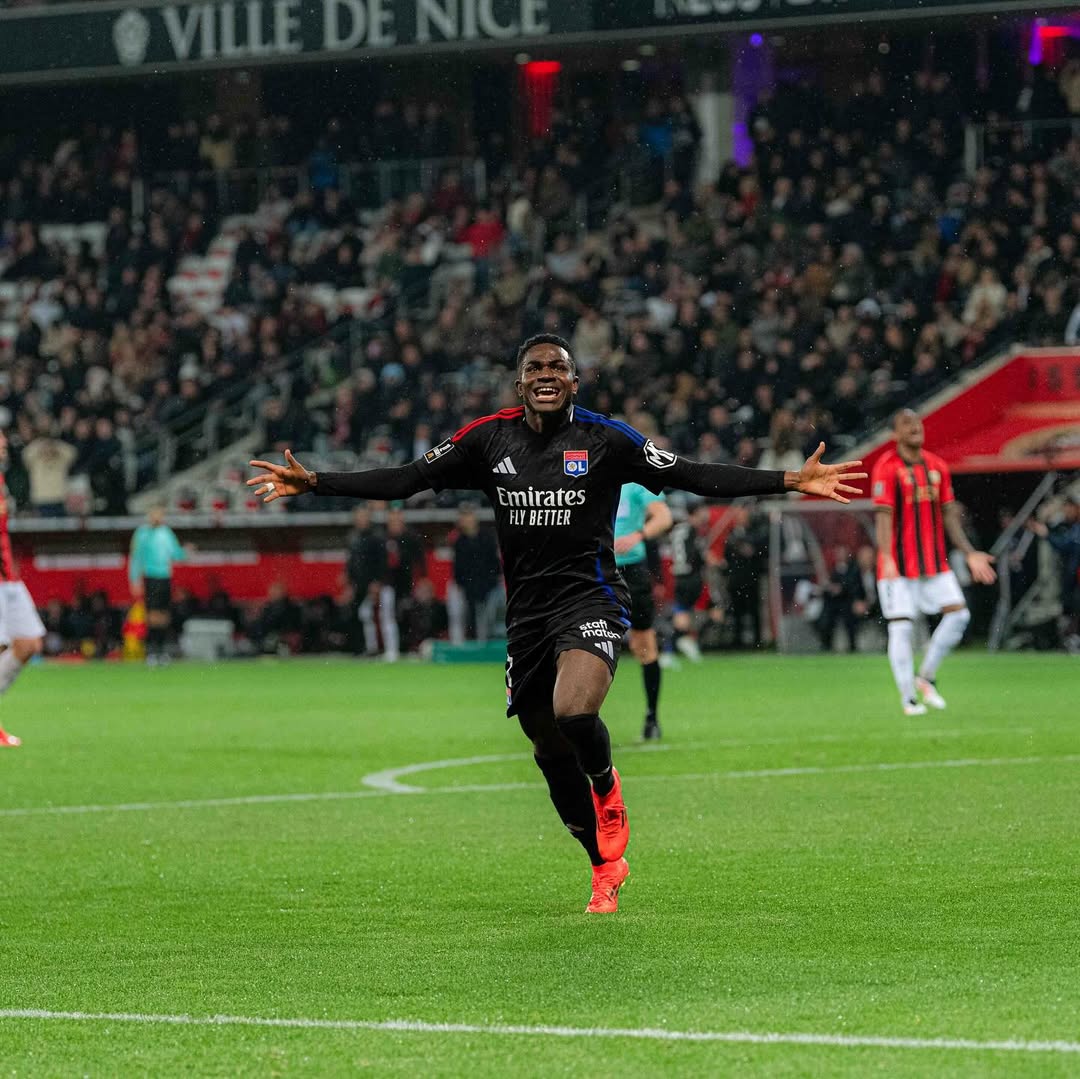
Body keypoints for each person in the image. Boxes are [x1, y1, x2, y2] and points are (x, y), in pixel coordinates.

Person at [248, 334, 864, 914]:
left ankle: (606, 782)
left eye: (557, 367)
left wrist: (790, 480)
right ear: (520, 384)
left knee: (575, 712)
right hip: (528, 620)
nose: (546, 375)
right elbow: (408, 479)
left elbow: (691, 474)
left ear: (574, 381)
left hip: (592, 600)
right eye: (535, 368)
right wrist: (317, 483)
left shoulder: (608, 440)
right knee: (546, 745)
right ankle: (602, 866)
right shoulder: (487, 441)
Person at [871, 409, 996, 715]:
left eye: (918, 423)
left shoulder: (937, 466)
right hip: (897, 566)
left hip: (933, 564)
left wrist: (968, 552)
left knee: (959, 616)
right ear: (895, 434)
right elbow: (883, 517)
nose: (915, 427)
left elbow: (950, 516)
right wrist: (886, 556)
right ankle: (908, 699)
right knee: (901, 628)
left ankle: (925, 676)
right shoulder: (887, 468)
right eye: (907, 424)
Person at [613, 483, 673, 740]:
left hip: (630, 572)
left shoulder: (635, 483)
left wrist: (639, 535)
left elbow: (663, 516)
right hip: (590, 569)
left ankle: (652, 717)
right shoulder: (588, 470)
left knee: (643, 643)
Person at [0, 430, 46, 747]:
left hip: (8, 578)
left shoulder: (2, 483)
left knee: (29, 644)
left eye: (4, 444)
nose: (4, 449)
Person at [128, 505, 191, 666]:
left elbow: (176, 554)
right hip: (151, 577)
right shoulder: (142, 533)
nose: (158, 517)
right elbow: (136, 557)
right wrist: (135, 580)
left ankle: (162, 651)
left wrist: (186, 553)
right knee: (152, 616)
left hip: (165, 577)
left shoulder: (166, 532)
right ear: (150, 515)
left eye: (160, 514)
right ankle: (152, 651)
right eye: (155, 514)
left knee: (164, 615)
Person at [451, 505, 501, 641]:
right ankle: (473, 643)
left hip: (488, 585)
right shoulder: (460, 541)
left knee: (489, 618)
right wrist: (461, 582)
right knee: (470, 617)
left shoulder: (486, 537)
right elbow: (458, 566)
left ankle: (486, 642)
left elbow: (494, 562)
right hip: (468, 586)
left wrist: (494, 579)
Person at [383, 506, 426, 661]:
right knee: (389, 616)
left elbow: (420, 561)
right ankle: (392, 650)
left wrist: (421, 580)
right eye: (392, 519)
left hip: (408, 583)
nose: (395, 522)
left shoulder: (412, 538)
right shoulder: (383, 538)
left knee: (411, 616)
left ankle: (413, 648)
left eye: (397, 519)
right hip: (389, 583)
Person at [669, 503, 711, 661]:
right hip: (691, 576)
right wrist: (705, 559)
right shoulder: (693, 531)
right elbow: (695, 554)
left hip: (679, 575)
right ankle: (679, 643)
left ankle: (680, 643)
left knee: (683, 612)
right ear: (696, 512)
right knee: (685, 615)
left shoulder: (678, 529)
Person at [346, 506, 388, 657]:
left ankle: (375, 648)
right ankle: (361, 648)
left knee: (371, 616)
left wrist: (377, 582)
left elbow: (382, 561)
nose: (361, 520)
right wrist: (349, 582)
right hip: (358, 583)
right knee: (359, 615)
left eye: (363, 517)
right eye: (358, 517)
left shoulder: (376, 537)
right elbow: (351, 562)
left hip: (371, 583)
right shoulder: (353, 536)